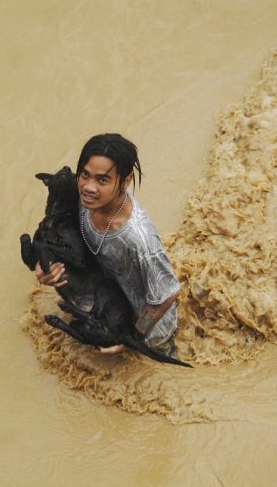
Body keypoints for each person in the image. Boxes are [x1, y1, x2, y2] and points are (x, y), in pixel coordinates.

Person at [35, 133, 181, 358]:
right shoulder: (84, 196)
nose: (89, 187)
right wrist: (43, 266)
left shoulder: (139, 240)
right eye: (85, 174)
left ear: (126, 181)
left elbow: (167, 294)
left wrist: (129, 340)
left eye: (102, 180)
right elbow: (57, 231)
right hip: (105, 305)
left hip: (145, 332)